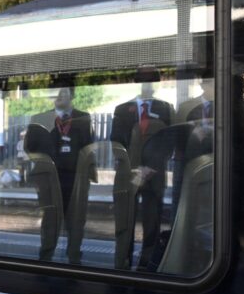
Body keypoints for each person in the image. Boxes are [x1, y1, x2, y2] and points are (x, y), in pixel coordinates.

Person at [109, 66, 174, 269]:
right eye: (142, 80)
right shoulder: (121, 109)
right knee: (124, 220)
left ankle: (146, 264)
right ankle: (122, 261)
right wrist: (132, 168)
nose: (147, 84)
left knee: (152, 221)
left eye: (151, 80)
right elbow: (116, 142)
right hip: (128, 174)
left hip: (154, 174)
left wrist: (151, 167)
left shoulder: (165, 108)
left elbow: (169, 142)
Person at [24, 85, 93, 262]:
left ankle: (74, 260)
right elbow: (29, 148)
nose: (60, 95)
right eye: (57, 91)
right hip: (49, 180)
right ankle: (45, 259)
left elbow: (89, 148)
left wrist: (89, 175)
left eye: (64, 91)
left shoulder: (83, 118)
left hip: (75, 179)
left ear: (72, 95)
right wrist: (43, 164)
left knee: (76, 221)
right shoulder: (39, 119)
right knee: (50, 220)